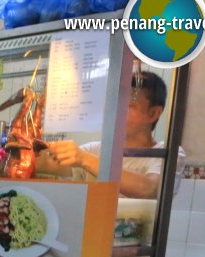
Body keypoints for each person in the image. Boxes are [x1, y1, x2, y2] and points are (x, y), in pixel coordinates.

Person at [38, 71, 184, 199]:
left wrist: (83, 159)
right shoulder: (94, 150)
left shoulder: (167, 153)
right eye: (115, 104)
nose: (116, 112)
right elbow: (43, 164)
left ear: (153, 113)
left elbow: (150, 188)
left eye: (128, 106)